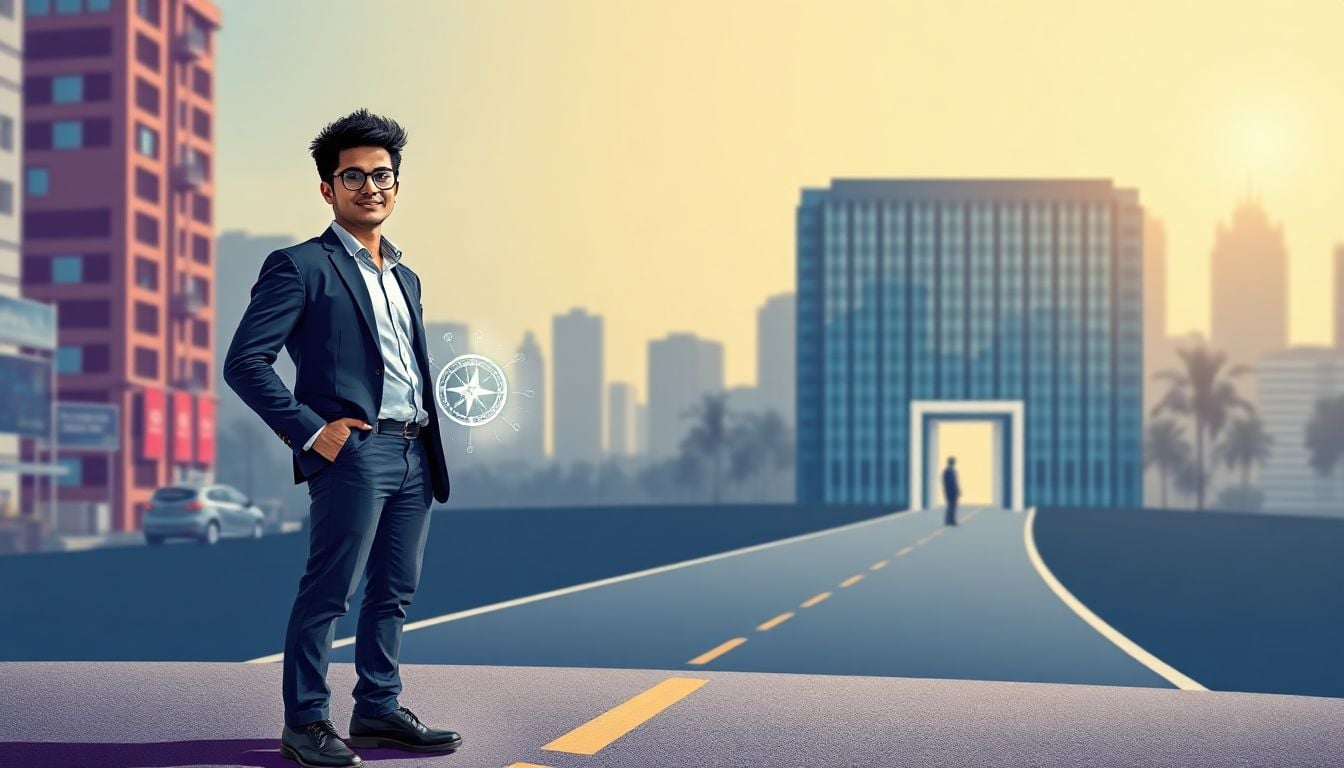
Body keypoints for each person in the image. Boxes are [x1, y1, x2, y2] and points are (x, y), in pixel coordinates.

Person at [224, 109, 461, 768]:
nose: (370, 187)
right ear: (328, 189)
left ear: (396, 184)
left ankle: (378, 707)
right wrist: (312, 432)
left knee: (394, 589)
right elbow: (244, 362)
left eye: (382, 175)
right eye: (352, 176)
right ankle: (306, 721)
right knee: (329, 590)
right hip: (354, 454)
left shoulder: (406, 277)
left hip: (415, 450)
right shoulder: (300, 266)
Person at [942, 456, 961, 526]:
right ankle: (950, 520)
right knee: (952, 506)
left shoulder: (947, 470)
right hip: (951, 491)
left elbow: (945, 482)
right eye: (954, 461)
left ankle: (949, 520)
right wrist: (957, 490)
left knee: (951, 505)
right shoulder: (950, 471)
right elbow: (953, 482)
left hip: (949, 491)